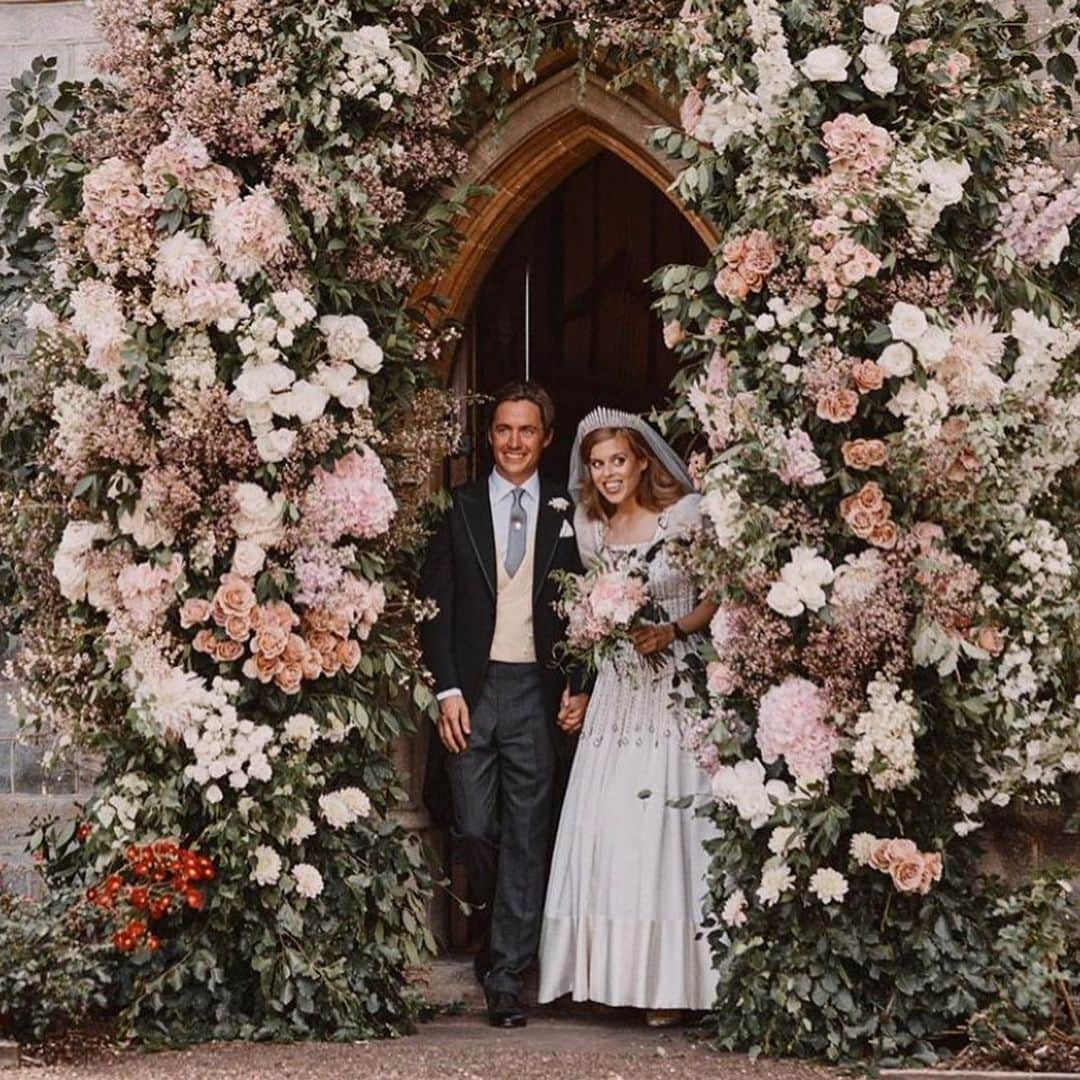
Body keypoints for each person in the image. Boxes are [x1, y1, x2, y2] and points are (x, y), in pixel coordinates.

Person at [538, 406, 719, 1026]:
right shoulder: (591, 528)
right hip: (617, 693)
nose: (609, 473)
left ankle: (672, 985)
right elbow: (590, 625)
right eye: (597, 463)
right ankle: (609, 975)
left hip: (674, 684)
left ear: (643, 460)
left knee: (667, 830)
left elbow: (716, 593)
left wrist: (673, 627)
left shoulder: (684, 516)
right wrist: (582, 685)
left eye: (619, 460)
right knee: (612, 825)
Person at [419, 381, 590, 1029]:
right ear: (489, 437)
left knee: (526, 833)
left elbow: (586, 610)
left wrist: (578, 681)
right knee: (474, 828)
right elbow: (434, 608)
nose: (514, 442)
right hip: (473, 688)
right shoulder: (459, 507)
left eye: (526, 431)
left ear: (546, 438)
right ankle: (495, 933)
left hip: (535, 694)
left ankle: (507, 974)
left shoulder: (566, 513)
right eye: (502, 430)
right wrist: (447, 689)